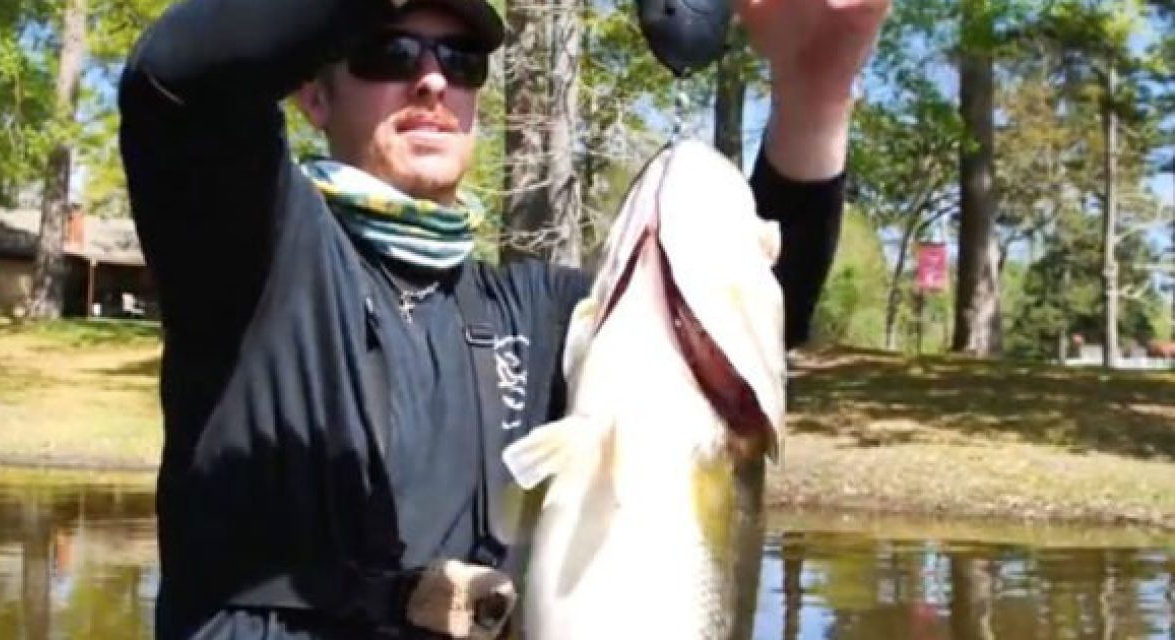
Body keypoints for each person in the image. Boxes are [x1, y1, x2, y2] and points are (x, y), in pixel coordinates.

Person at [117, 0, 890, 637]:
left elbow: (742, 328)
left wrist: (814, 93)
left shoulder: (538, 314)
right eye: (387, 52)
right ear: (315, 94)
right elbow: (177, 83)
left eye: (462, 63)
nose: (431, 83)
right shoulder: (249, 246)